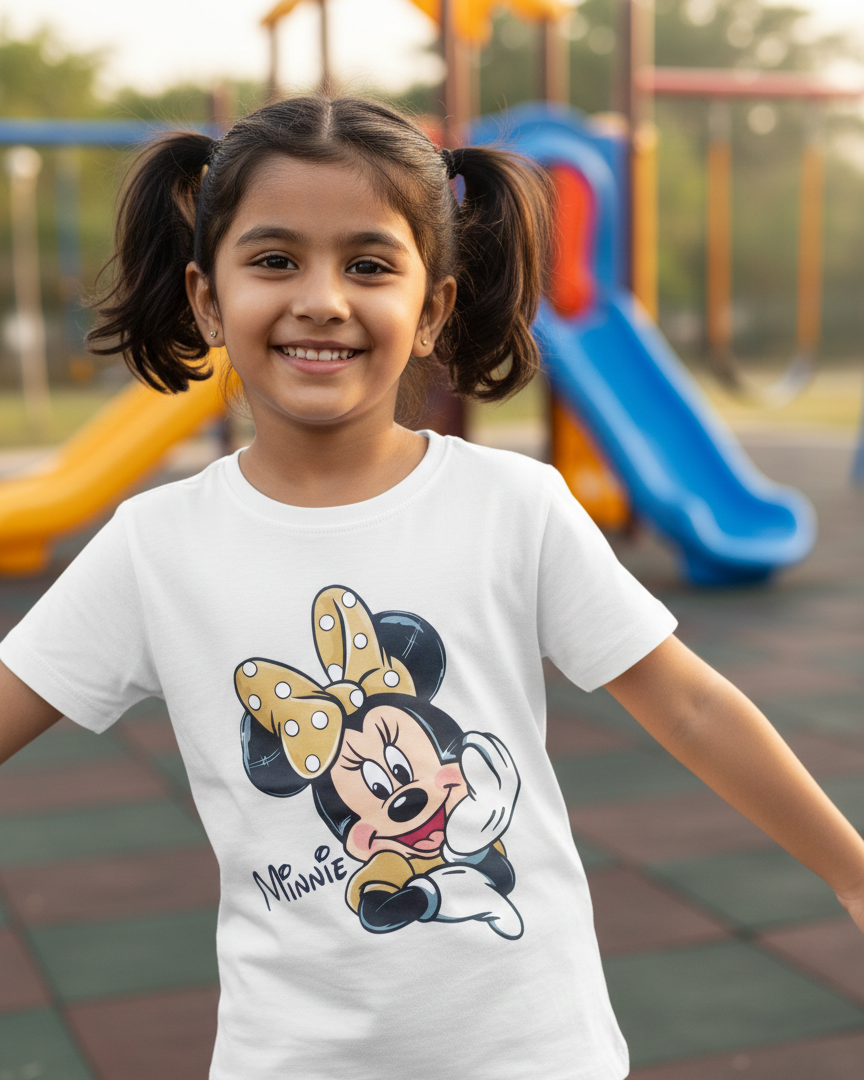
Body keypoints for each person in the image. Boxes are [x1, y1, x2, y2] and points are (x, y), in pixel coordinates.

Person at [0, 95, 861, 1080]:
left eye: (368, 264)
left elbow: (693, 706)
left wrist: (853, 872)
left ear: (432, 309)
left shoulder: (511, 505)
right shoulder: (156, 547)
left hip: (535, 1051)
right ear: (207, 299)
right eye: (275, 260)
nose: (322, 297)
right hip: (291, 1060)